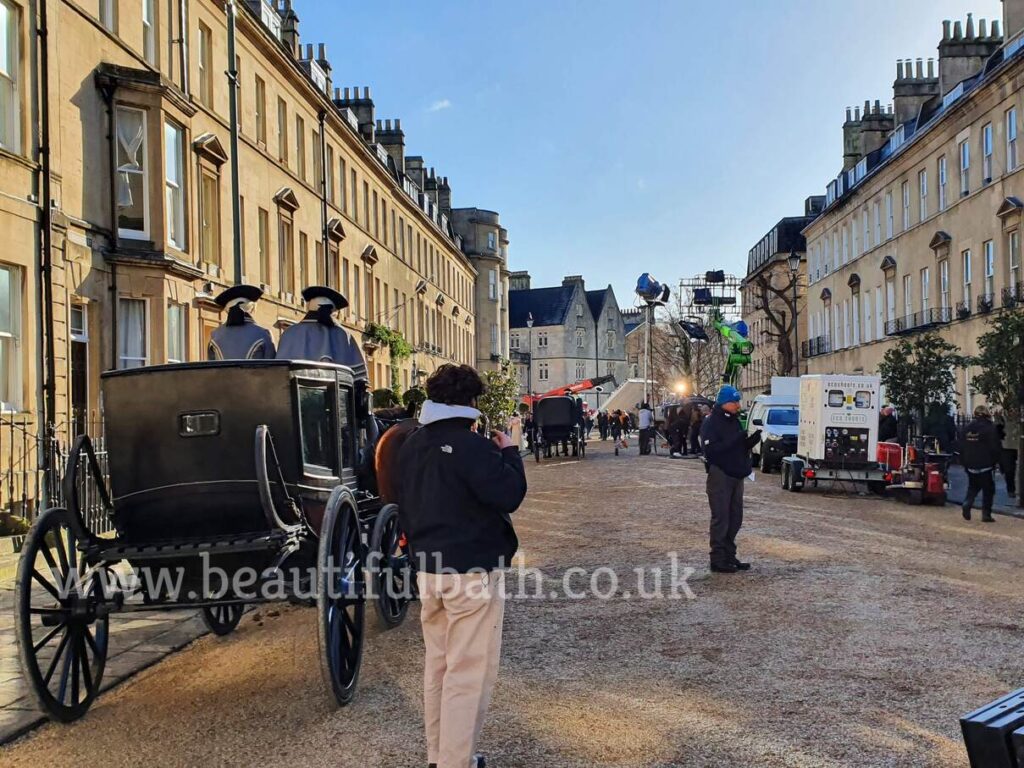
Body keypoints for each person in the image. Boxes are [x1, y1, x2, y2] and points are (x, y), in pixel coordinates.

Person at [398, 365, 528, 768]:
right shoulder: (473, 446)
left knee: (438, 666)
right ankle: (457, 762)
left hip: (428, 568)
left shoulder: (410, 444)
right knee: (469, 673)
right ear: (471, 402)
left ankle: (441, 756)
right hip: (470, 570)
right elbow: (508, 494)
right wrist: (511, 449)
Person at [700, 385, 761, 573]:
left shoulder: (733, 420)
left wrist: (751, 441)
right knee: (721, 517)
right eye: (734, 401)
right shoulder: (711, 422)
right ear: (724, 402)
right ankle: (717, 559)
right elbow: (711, 450)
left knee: (735, 518)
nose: (737, 405)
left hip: (736, 474)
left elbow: (738, 446)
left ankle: (729, 555)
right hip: (721, 474)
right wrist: (737, 441)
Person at [276, 286, 367, 379]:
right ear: (332, 312)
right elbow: (360, 380)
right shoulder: (343, 335)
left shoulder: (289, 333)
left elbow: (278, 372)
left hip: (294, 391)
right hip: (334, 391)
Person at [207, 284, 276, 360]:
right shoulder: (264, 333)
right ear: (252, 308)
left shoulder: (215, 335)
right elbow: (273, 368)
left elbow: (211, 368)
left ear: (227, 310)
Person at [959, 404, 1001, 523]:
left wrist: (964, 462)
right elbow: (995, 447)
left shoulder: (966, 428)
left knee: (973, 486)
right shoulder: (990, 428)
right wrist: (995, 462)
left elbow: (960, 446)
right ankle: (986, 514)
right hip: (985, 464)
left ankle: (967, 502)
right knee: (988, 489)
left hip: (970, 463)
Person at [996, 410, 1018, 497]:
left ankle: (1012, 490)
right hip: (1007, 446)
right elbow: (998, 432)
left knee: (1009, 470)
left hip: (1012, 446)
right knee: (1008, 471)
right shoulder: (1001, 419)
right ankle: (1011, 490)